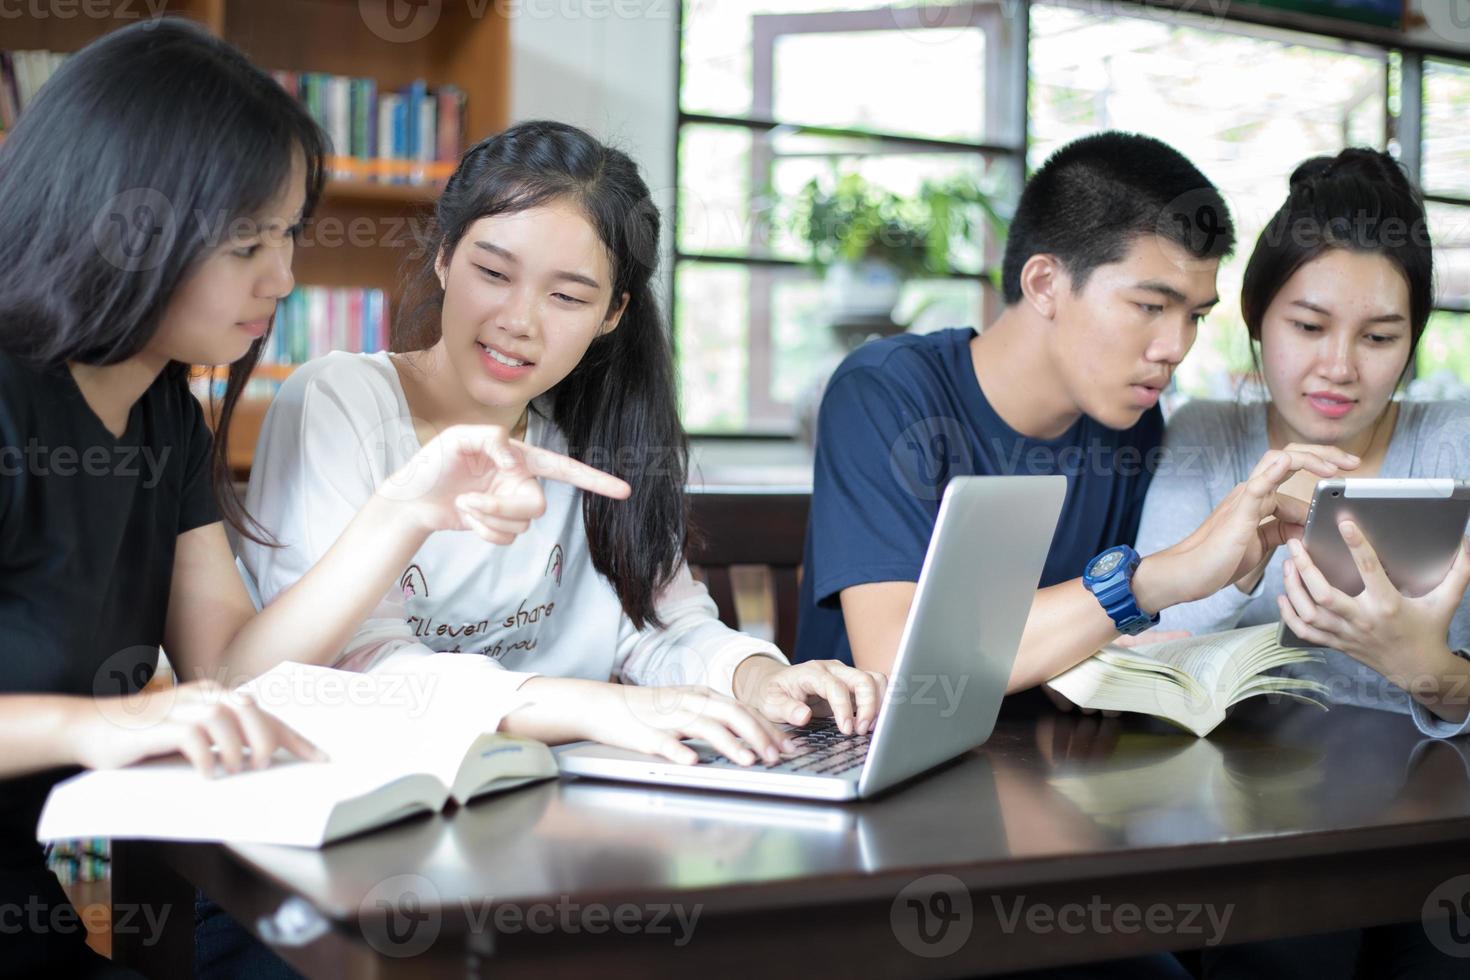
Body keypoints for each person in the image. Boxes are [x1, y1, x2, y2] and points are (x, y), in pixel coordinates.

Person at [0, 23, 622, 977]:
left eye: (288, 234)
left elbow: (237, 665)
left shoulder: (161, 408)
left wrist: (407, 507)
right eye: (248, 241)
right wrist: (97, 726)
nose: (283, 278)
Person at [242, 120, 887, 773]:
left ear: (612, 314)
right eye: (493, 272)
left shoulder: (598, 431)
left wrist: (754, 678)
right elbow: (357, 662)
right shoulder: (342, 401)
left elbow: (663, 626)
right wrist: (593, 706)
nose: (518, 321)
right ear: (442, 255)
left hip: (548, 801)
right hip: (376, 795)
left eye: (567, 297)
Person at [795, 131, 1355, 703]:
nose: (1175, 346)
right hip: (862, 764)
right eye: (1150, 307)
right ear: (1044, 284)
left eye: (1196, 317)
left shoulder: (1130, 421)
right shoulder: (885, 392)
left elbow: (1086, 648)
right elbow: (902, 665)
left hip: (1044, 764)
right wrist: (1159, 577)